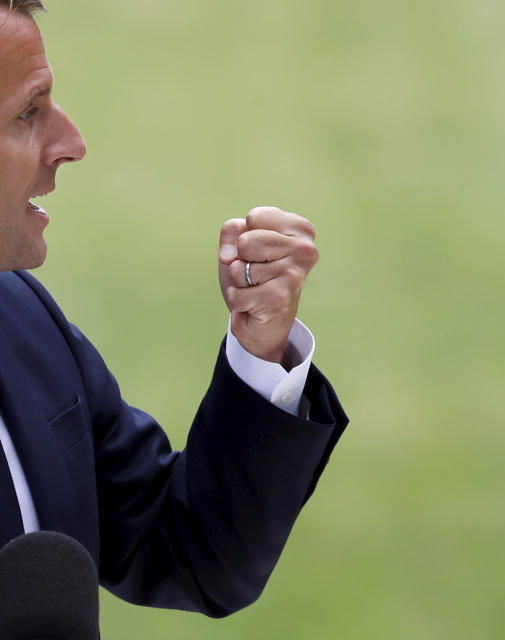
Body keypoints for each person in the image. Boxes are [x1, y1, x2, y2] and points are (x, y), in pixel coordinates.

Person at [0, 0, 348, 617]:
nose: (71, 144)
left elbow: (192, 553)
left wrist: (260, 348)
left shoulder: (22, 320)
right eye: (28, 113)